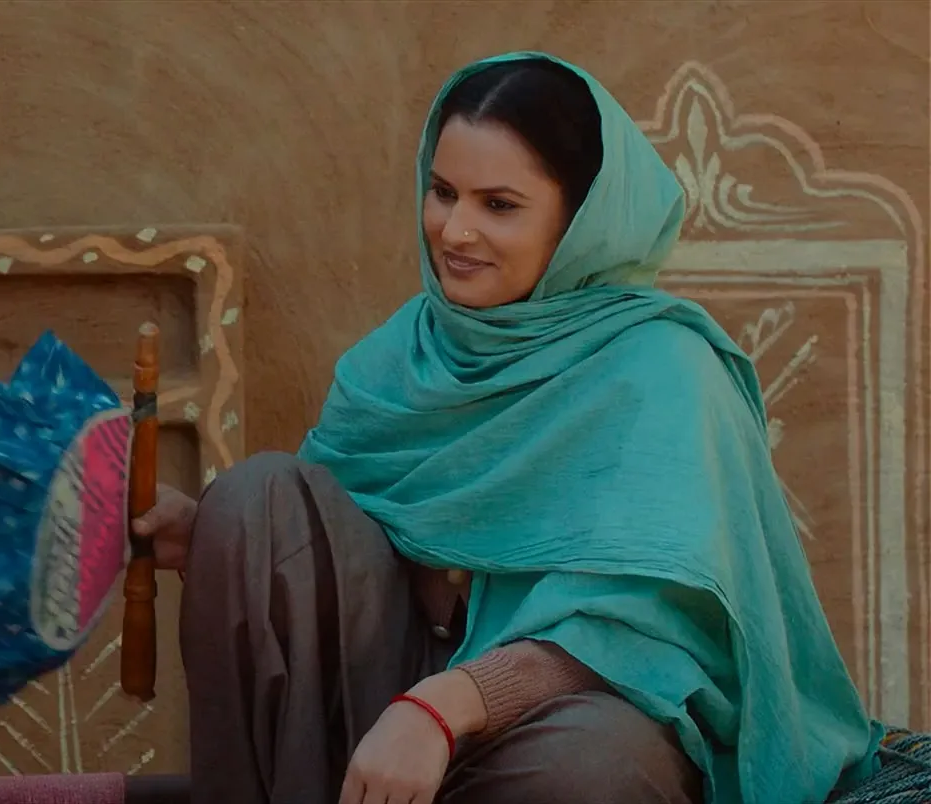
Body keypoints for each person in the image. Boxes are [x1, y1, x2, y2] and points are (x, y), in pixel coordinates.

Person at [132, 52, 879, 804]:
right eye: (442, 192)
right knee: (255, 497)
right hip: (385, 710)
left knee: (589, 770)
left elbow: (645, 629)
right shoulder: (408, 352)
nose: (454, 230)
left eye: (499, 205)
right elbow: (343, 561)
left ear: (580, 221)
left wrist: (445, 706)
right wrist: (219, 537)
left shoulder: (663, 372)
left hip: (564, 711)